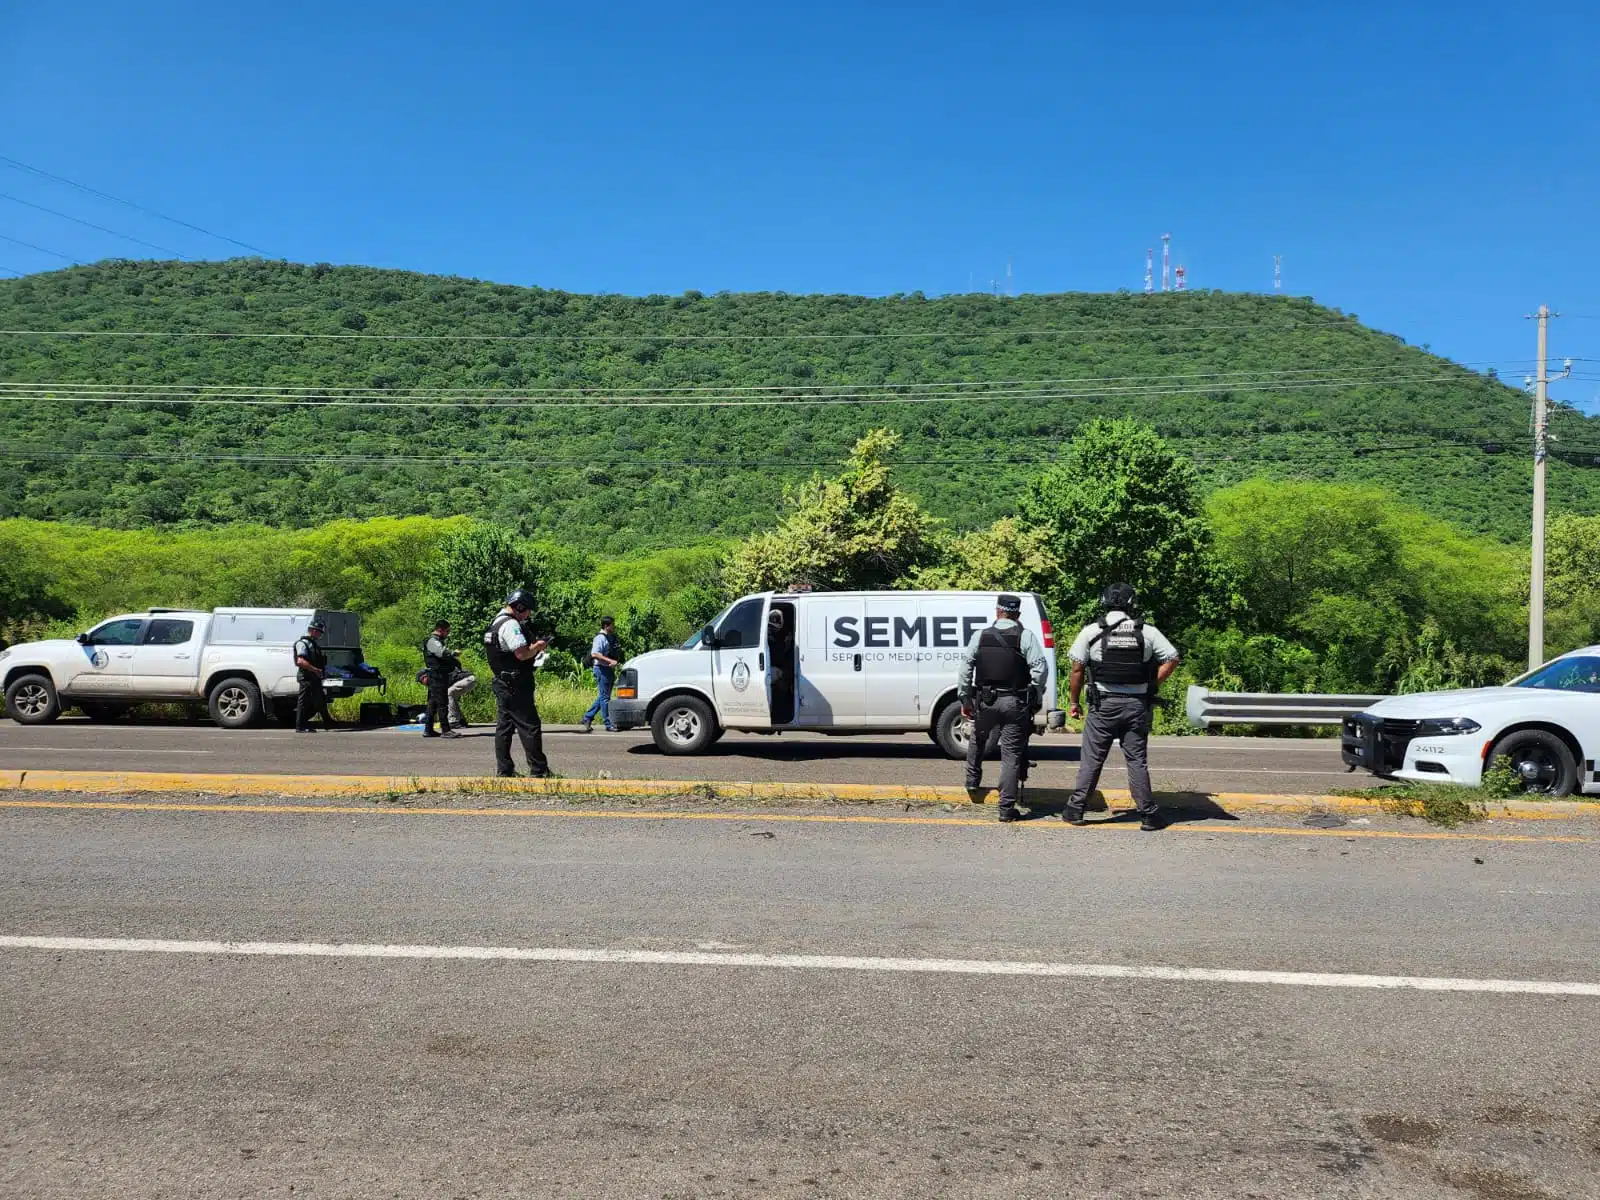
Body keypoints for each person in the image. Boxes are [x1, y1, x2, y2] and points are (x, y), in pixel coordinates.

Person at [1062, 582, 1181, 831]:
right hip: (1136, 705)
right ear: (1131, 604)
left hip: (1102, 705)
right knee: (1136, 761)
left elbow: (1076, 668)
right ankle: (1148, 814)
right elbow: (1172, 657)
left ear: (1103, 602)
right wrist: (1151, 685)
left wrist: (1074, 702)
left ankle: (1075, 809)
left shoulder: (1091, 631)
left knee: (1092, 760)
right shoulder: (1147, 632)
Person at [957, 593, 1049, 822]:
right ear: (1017, 614)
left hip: (985, 701)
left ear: (998, 612)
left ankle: (972, 781)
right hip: (1014, 702)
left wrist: (965, 698)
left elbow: (966, 667)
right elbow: (1040, 669)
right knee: (1011, 756)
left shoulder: (980, 636)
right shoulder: (1025, 636)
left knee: (978, 740)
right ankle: (1006, 810)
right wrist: (1036, 695)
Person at [484, 588, 552, 778]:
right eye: (528, 610)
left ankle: (504, 770)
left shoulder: (495, 623)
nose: (528, 615)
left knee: (504, 727)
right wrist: (538, 646)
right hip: (516, 684)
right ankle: (539, 771)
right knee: (529, 726)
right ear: (519, 606)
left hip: (502, 682)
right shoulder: (511, 625)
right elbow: (522, 653)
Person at [292, 618, 336, 732]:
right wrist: (315, 669)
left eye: (320, 632)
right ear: (310, 630)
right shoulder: (302, 644)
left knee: (320, 700)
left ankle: (328, 723)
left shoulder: (313, 644)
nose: (319, 634)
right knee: (303, 702)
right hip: (306, 677)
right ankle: (300, 727)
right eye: (317, 631)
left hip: (314, 676)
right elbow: (300, 661)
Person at [420, 619, 462, 738]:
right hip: (437, 676)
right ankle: (446, 730)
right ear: (440, 630)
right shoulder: (433, 641)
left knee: (433, 703)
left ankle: (428, 730)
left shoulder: (435, 641)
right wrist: (454, 653)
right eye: (447, 631)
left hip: (437, 676)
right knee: (442, 703)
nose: (448, 634)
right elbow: (442, 653)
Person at [580, 616, 621, 733]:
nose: (614, 627)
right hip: (601, 669)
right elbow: (594, 654)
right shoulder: (600, 638)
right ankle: (608, 724)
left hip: (607, 669)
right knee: (605, 698)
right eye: (612, 625)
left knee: (604, 697)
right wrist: (610, 661)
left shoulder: (609, 637)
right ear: (606, 626)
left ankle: (587, 717)